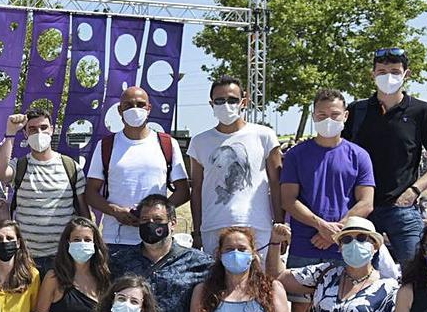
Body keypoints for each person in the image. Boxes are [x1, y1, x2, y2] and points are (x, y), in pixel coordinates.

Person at [343, 48, 427, 264]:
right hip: (361, 208)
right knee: (357, 274)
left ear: (406, 74)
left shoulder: (422, 111)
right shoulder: (356, 111)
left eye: (394, 71)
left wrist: (414, 191)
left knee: (415, 274)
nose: (387, 76)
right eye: (381, 71)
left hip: (403, 210)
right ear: (372, 74)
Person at [109, 194, 211, 312]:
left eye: (157, 219)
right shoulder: (120, 262)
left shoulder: (199, 263)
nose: (151, 224)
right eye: (145, 220)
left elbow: (218, 299)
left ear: (172, 223)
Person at [186, 76, 282, 257]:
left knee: (260, 283)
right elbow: (196, 188)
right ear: (211, 104)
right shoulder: (199, 142)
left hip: (257, 226)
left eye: (232, 100)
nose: (226, 105)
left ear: (244, 102)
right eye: (219, 100)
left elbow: (276, 183)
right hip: (213, 227)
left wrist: (279, 224)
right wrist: (197, 231)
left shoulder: (264, 135)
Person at [85, 87, 190, 250]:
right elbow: (91, 193)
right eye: (128, 105)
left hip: (157, 239)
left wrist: (155, 215)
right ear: (120, 111)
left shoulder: (167, 143)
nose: (135, 109)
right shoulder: (106, 145)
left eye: (140, 105)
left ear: (149, 109)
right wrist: (115, 211)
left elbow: (183, 191)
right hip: (116, 240)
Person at [281, 89, 375, 269]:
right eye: (322, 115)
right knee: (301, 298)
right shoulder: (295, 155)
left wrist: (334, 233)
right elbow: (288, 200)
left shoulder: (359, 155)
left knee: (345, 297)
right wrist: (322, 226)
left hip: (346, 248)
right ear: (313, 116)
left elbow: (366, 202)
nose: (328, 120)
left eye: (334, 115)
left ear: (345, 116)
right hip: (303, 248)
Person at [0, 109, 87, 273]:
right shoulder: (20, 166)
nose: (39, 133)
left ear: (52, 129)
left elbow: (84, 211)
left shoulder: (71, 167)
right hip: (26, 258)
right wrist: (10, 133)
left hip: (63, 257)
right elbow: (0, 172)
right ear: (25, 133)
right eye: (33, 129)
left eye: (44, 127)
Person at [34, 216, 111, 312]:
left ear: (95, 244)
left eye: (87, 240)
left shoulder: (104, 278)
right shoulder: (54, 277)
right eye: (76, 239)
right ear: (67, 243)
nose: (82, 243)